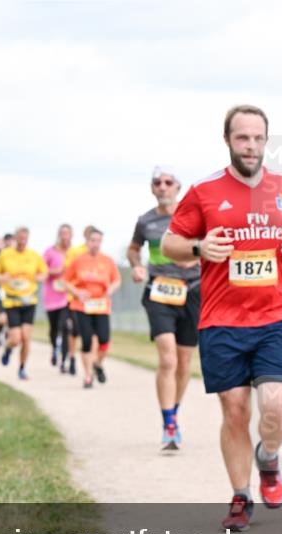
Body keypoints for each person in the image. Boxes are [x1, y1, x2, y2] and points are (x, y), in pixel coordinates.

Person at [162, 104, 282, 529]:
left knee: (278, 407)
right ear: (227, 140)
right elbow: (171, 243)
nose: (251, 146)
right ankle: (240, 496)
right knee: (234, 411)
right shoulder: (203, 190)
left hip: (276, 316)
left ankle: (268, 457)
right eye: (243, 138)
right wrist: (198, 249)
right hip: (221, 319)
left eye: (258, 138)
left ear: (267, 140)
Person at [128, 166, 201, 450]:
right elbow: (134, 249)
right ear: (152, 188)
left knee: (184, 362)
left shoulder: (195, 217)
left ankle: (174, 411)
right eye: (157, 182)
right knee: (168, 359)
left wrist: (197, 257)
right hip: (159, 290)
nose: (162, 186)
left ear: (177, 187)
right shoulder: (145, 221)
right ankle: (168, 423)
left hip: (193, 291)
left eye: (168, 182)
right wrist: (136, 265)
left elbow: (213, 245)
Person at [64, 228, 121, 389]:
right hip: (82, 306)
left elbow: (117, 280)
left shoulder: (108, 260)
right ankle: (88, 376)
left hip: (101, 306)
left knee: (104, 340)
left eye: (98, 240)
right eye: (92, 240)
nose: (95, 243)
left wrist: (111, 289)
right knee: (87, 341)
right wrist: (77, 292)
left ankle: (97, 364)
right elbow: (65, 281)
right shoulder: (78, 260)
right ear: (87, 242)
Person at [0, 227, 48, 380]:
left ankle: (22, 368)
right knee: (15, 339)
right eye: (20, 238)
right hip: (11, 300)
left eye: (25, 238)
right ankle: (8, 349)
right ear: (15, 238)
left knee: (26, 337)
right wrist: (1, 278)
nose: (22, 241)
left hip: (29, 300)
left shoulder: (34, 255)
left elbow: (44, 273)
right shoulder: (5, 254)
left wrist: (39, 278)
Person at [61, 225, 95, 376]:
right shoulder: (75, 252)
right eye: (90, 235)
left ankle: (92, 363)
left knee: (93, 332)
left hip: (94, 299)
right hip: (75, 298)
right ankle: (72, 357)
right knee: (75, 331)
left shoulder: (99, 255)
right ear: (85, 235)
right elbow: (67, 273)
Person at [43, 224, 74, 371]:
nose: (65, 236)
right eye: (62, 233)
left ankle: (64, 360)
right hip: (52, 295)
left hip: (68, 296)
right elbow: (41, 271)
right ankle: (55, 348)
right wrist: (57, 270)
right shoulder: (50, 251)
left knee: (66, 327)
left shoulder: (74, 253)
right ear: (58, 234)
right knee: (54, 328)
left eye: (67, 233)